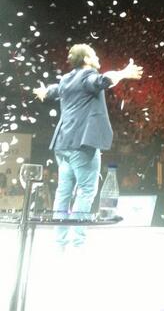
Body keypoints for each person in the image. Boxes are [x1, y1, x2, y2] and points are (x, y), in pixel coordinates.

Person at [33, 44, 143, 247]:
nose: (98, 58)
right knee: (86, 191)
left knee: (63, 192)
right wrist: (124, 73)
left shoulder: (66, 79)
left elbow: (53, 90)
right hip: (81, 144)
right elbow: (102, 80)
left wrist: (43, 91)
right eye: (94, 55)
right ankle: (78, 242)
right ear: (85, 59)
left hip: (62, 144)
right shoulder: (87, 76)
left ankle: (61, 241)